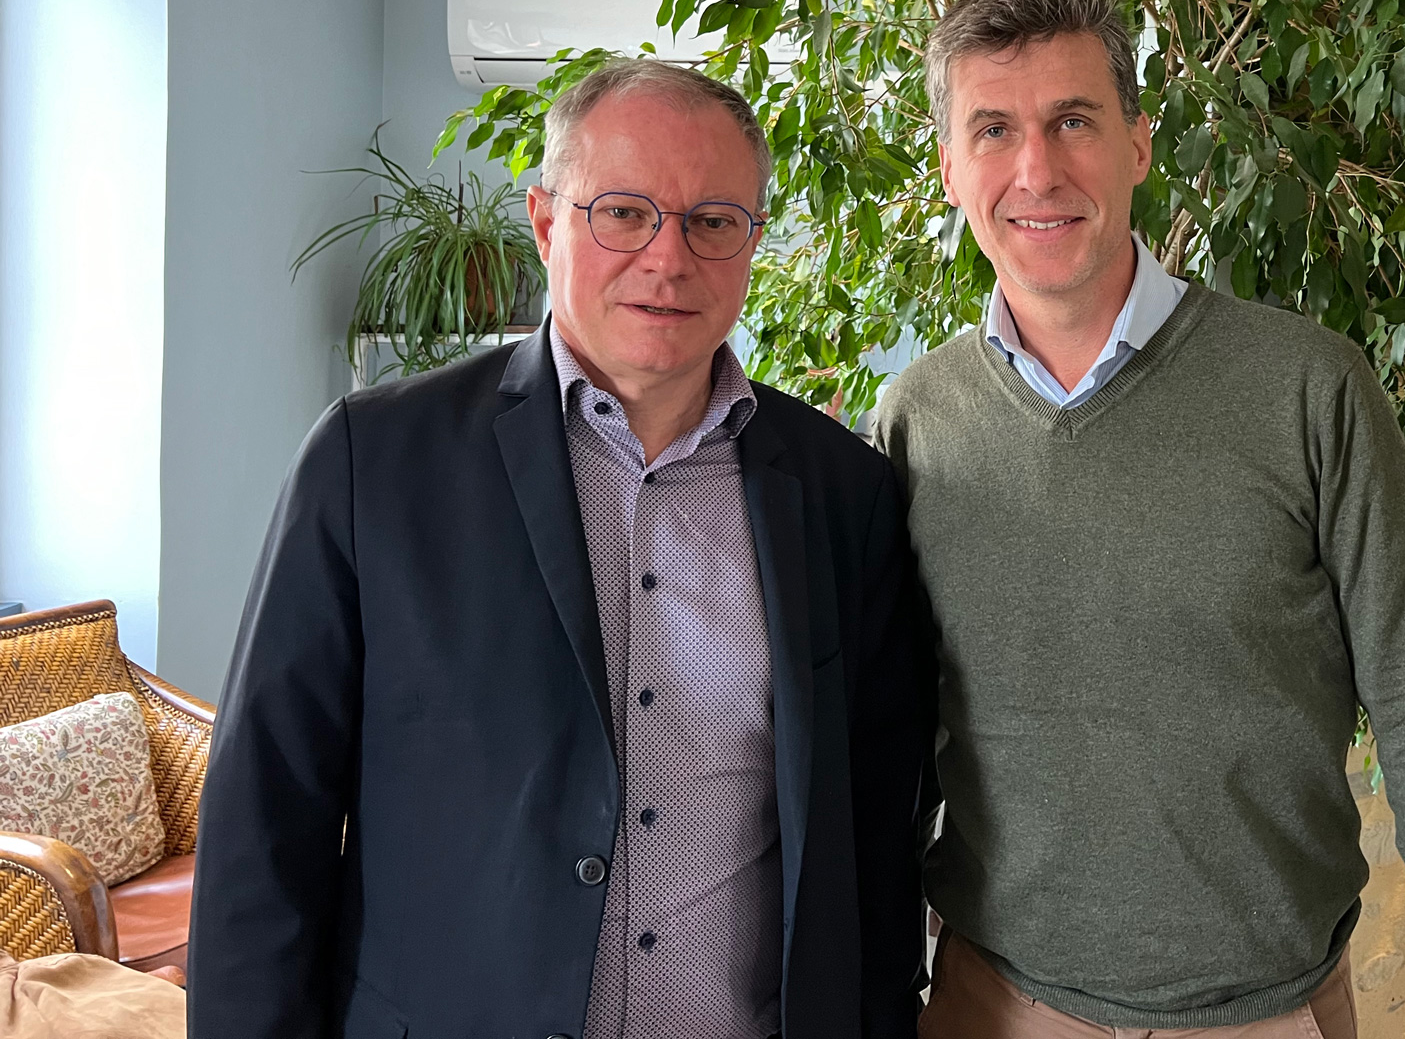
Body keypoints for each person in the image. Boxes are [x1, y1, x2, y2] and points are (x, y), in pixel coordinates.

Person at [189, 59, 931, 1039]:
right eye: (622, 212)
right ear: (545, 222)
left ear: (753, 240)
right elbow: (261, 831)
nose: (669, 259)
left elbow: (874, 847)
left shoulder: (845, 493)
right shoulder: (373, 462)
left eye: (713, 221)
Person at [874, 0, 1405, 1037]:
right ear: (951, 166)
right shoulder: (918, 417)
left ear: (1137, 144)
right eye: (993, 129)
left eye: (1073, 120)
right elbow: (890, 744)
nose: (1035, 168)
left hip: (1266, 1015)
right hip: (993, 1006)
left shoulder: (1311, 389)